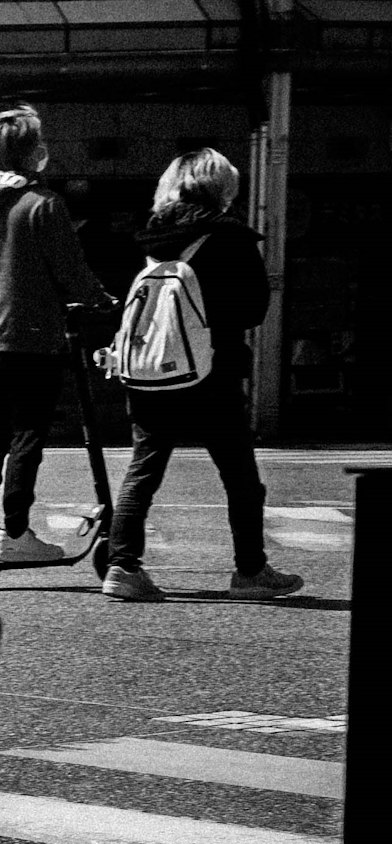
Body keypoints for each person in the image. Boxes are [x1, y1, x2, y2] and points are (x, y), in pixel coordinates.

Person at [101, 147, 297, 603]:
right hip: (213, 374)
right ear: (220, 188)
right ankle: (250, 572)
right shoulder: (230, 239)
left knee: (143, 470)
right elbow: (253, 308)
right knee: (240, 477)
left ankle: (122, 566)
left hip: (151, 374)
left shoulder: (155, 239)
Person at [0, 105, 116, 567]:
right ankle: (16, 531)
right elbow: (70, 270)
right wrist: (103, 301)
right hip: (31, 335)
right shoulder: (43, 205)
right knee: (29, 433)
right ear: (32, 153)